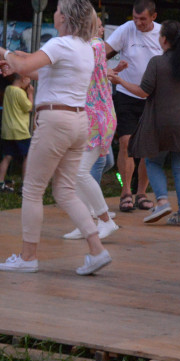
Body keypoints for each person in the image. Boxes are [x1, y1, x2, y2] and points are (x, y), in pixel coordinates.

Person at [0, 0, 113, 276]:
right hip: (78, 122)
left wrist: (3, 53)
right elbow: (46, 71)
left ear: (65, 17)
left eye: (58, 10)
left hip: (55, 121)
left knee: (33, 189)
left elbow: (26, 67)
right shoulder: (85, 47)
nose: (54, 14)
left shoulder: (59, 44)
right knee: (65, 190)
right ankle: (97, 249)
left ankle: (28, 257)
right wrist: (15, 62)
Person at [112, 20, 180, 228]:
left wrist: (120, 81)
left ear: (163, 40)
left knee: (153, 163)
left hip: (163, 123)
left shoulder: (157, 62)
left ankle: (162, 202)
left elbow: (143, 92)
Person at [63, 13, 119, 240]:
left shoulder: (94, 46)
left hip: (98, 118)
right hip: (91, 117)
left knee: (79, 172)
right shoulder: (90, 46)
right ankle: (86, 222)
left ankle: (105, 220)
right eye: (99, 25)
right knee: (75, 172)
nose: (102, 29)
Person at [105, 0, 163, 213]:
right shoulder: (126, 29)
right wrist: (105, 67)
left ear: (154, 17)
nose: (138, 23)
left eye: (143, 19)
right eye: (135, 18)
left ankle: (142, 193)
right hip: (127, 94)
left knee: (147, 147)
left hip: (153, 98)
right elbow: (102, 52)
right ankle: (125, 192)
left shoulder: (163, 33)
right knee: (126, 142)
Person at [0, 73, 34, 185]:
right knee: (28, 155)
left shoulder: (8, 89)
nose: (29, 85)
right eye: (28, 81)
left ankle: (0, 182)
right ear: (23, 78)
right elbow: (29, 107)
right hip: (20, 130)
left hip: (8, 130)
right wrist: (30, 94)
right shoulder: (20, 92)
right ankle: (25, 184)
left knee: (7, 156)